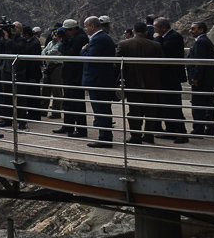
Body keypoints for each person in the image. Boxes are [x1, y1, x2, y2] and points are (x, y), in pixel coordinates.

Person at [116, 22, 164, 144]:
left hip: (132, 83)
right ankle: (149, 135)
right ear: (146, 31)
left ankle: (136, 136)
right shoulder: (156, 45)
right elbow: (161, 64)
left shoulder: (124, 44)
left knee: (134, 111)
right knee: (151, 111)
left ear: (133, 31)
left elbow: (117, 63)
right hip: (152, 83)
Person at [81, 16, 118, 148]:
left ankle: (105, 138)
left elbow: (90, 58)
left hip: (98, 80)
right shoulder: (101, 38)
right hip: (100, 79)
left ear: (92, 26)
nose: (85, 29)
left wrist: (83, 50)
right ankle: (105, 137)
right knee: (102, 110)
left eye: (86, 26)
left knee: (101, 110)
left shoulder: (99, 39)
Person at [153, 17, 189, 143]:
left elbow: (164, 51)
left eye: (156, 28)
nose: (155, 30)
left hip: (171, 77)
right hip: (165, 77)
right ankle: (171, 131)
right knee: (165, 105)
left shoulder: (174, 37)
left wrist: (157, 38)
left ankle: (181, 133)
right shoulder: (167, 37)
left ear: (163, 27)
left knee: (174, 106)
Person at [53, 19, 89, 138]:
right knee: (68, 101)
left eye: (67, 31)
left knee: (77, 102)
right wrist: (63, 41)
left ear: (73, 29)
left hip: (75, 75)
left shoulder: (80, 38)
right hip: (69, 74)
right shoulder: (73, 37)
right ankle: (68, 125)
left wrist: (60, 44)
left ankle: (81, 129)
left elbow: (70, 53)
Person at [187, 21, 214, 136]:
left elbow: (199, 62)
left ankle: (198, 129)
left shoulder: (201, 42)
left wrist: (195, 78)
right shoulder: (204, 41)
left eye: (193, 29)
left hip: (202, 80)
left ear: (201, 30)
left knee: (198, 105)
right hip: (207, 79)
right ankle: (209, 129)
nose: (190, 31)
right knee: (208, 104)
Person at [12, 26, 43, 128]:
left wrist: (32, 75)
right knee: (30, 94)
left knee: (34, 94)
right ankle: (32, 113)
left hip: (33, 73)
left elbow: (34, 61)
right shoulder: (30, 42)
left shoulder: (34, 43)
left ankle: (35, 115)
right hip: (28, 72)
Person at [41, 29, 64, 118]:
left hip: (57, 67)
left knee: (57, 90)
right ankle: (43, 111)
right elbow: (43, 52)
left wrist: (46, 54)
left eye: (56, 35)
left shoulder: (61, 44)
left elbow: (53, 52)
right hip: (48, 67)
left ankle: (56, 112)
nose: (54, 36)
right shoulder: (50, 43)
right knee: (45, 90)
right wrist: (46, 54)